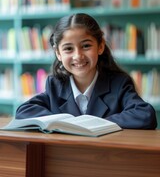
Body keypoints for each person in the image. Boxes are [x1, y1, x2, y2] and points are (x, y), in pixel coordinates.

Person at [16, 13, 157, 129]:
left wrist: (94, 124)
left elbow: (145, 115)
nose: (78, 56)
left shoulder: (118, 83)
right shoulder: (55, 85)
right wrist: (65, 122)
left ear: (100, 46)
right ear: (58, 53)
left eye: (86, 46)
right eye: (68, 49)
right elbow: (24, 111)